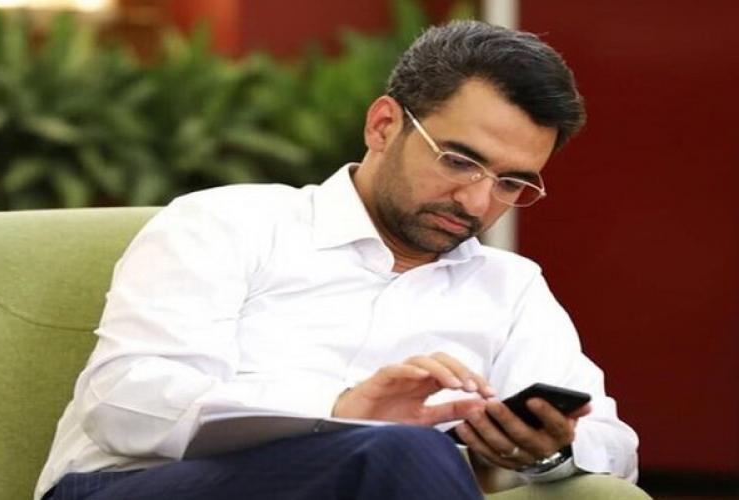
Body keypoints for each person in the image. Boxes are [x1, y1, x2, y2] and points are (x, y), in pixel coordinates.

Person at [35, 20, 638, 500]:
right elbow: (125, 402)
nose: (477, 202)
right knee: (403, 452)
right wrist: (337, 410)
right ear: (383, 126)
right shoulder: (228, 222)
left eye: (511, 183)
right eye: (459, 161)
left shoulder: (510, 287)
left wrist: (547, 452)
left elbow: (613, 445)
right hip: (140, 486)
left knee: (404, 458)